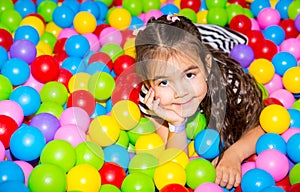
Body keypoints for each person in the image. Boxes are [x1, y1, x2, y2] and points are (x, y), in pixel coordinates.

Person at [134, 15, 265, 190]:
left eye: (189, 75)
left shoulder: (228, 80)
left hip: (219, 39)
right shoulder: (151, 98)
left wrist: (233, 154)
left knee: (238, 46)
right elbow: (176, 162)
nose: (181, 92)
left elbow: (263, 124)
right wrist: (177, 125)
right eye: (164, 82)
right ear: (149, 83)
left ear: (206, 66)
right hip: (180, 48)